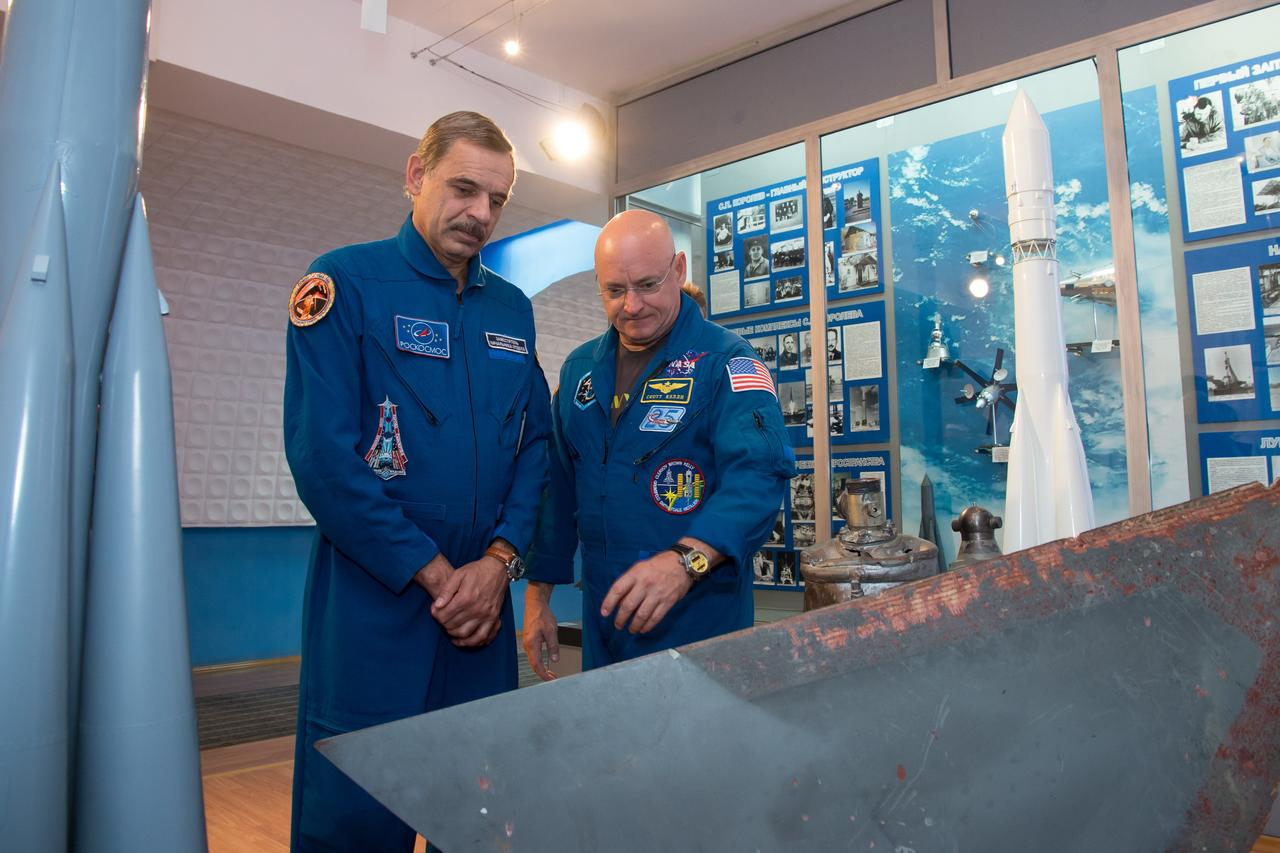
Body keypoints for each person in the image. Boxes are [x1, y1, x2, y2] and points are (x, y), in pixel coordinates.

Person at [282, 111, 550, 852]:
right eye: (464, 188)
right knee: (357, 816)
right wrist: (438, 575)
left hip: (482, 616)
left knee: (481, 815)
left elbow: (536, 448)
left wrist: (498, 565)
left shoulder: (511, 309)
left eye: (497, 199)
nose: (481, 214)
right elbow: (322, 458)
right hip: (377, 602)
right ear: (415, 175)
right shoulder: (343, 283)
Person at [520, 210, 794, 675]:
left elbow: (759, 476)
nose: (631, 306)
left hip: (699, 621)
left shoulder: (727, 362)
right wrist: (537, 596)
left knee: (696, 746)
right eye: (614, 291)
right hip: (607, 620)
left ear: (679, 270)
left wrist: (687, 562)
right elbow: (558, 489)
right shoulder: (579, 371)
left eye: (647, 285)